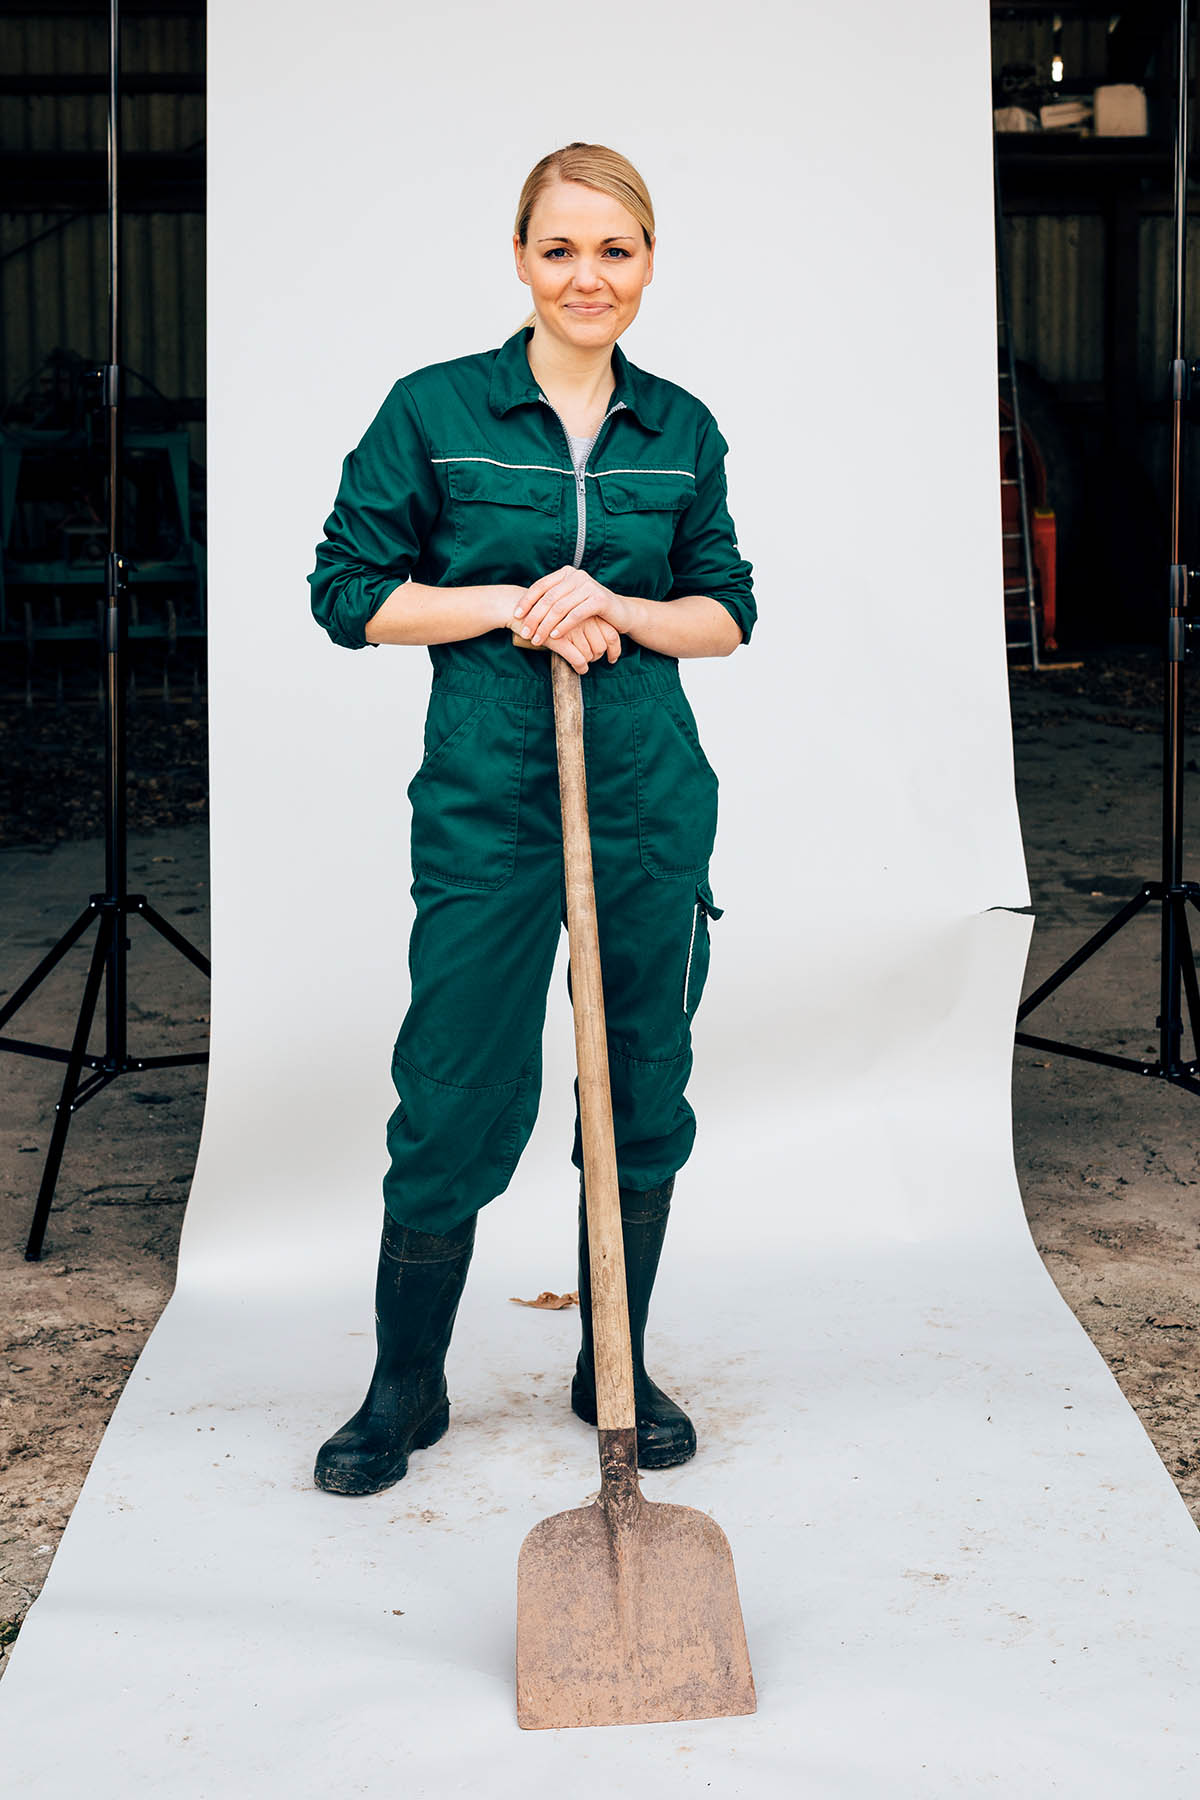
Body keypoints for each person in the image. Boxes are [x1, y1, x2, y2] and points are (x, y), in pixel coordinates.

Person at [306, 140, 756, 1497]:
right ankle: (404, 1384)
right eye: (559, 249)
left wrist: (616, 605)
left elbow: (727, 612)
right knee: (453, 1086)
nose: (586, 276)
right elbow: (347, 593)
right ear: (519, 258)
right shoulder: (435, 410)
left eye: (615, 249)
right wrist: (517, 602)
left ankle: (613, 1359)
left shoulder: (679, 428)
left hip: (646, 801)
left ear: (650, 263)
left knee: (641, 1086)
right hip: (488, 799)